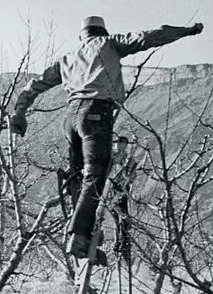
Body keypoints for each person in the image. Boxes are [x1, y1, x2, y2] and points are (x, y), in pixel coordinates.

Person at [10, 16, 203, 263]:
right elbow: (148, 37)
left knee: (79, 177)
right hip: (95, 115)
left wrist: (19, 112)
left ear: (82, 35)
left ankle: (86, 233)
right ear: (102, 31)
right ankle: (79, 237)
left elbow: (34, 85)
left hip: (70, 119)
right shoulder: (108, 43)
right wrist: (186, 31)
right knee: (96, 175)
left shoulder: (68, 58)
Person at [109, 136, 136, 263]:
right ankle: (119, 241)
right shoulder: (111, 156)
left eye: (122, 143)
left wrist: (128, 177)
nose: (119, 145)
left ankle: (123, 241)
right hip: (110, 188)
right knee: (116, 217)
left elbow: (132, 175)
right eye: (118, 143)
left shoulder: (127, 159)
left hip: (122, 189)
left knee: (122, 215)